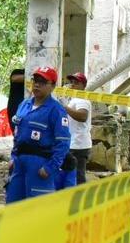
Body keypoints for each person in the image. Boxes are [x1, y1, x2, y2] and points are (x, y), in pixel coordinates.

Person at [5, 66, 71, 203]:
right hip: (19, 163)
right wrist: (13, 157)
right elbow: (17, 135)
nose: (37, 84)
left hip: (40, 165)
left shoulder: (56, 110)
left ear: (52, 86)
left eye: (42, 82)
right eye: (35, 80)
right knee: (13, 206)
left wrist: (50, 167)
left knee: (37, 210)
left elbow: (63, 143)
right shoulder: (24, 105)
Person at [59, 71, 93, 188]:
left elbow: (82, 116)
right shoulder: (74, 99)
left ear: (83, 86)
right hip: (74, 143)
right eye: (72, 82)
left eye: (76, 82)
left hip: (79, 145)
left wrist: (65, 107)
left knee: (78, 176)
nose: (73, 85)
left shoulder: (82, 99)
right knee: (71, 174)